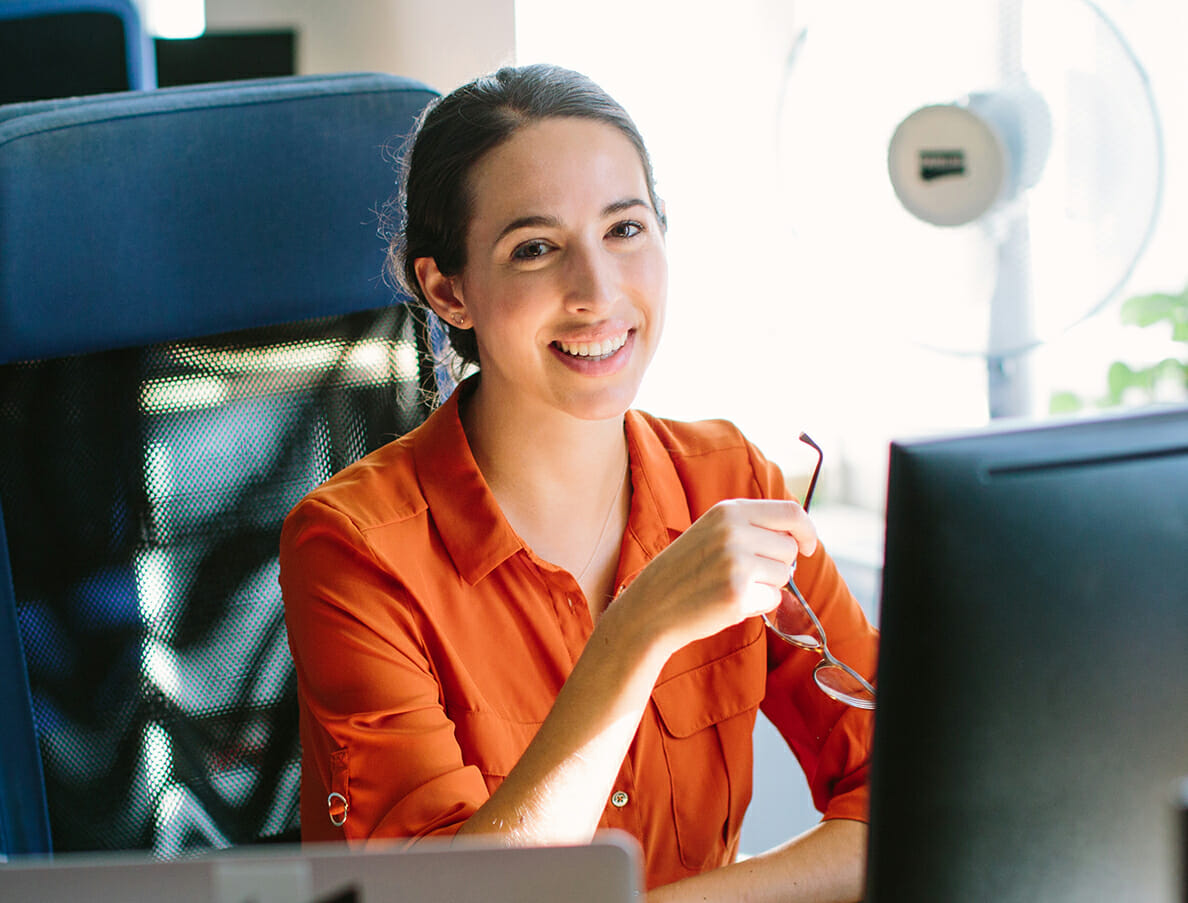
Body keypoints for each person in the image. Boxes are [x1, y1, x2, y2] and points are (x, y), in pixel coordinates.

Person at [279, 63, 878, 902]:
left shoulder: (728, 481)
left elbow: (909, 802)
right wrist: (637, 635)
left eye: (625, 230)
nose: (597, 293)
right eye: (535, 249)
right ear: (448, 291)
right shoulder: (352, 548)